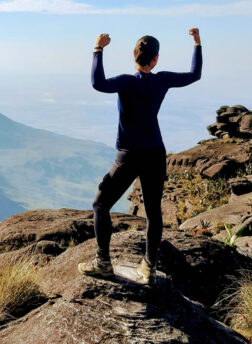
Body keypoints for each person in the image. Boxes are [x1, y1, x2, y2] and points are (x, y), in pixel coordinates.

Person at [78, 28, 203, 284]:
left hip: (129, 155)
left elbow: (97, 83)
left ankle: (103, 263)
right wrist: (197, 43)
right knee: (154, 212)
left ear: (134, 56)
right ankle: (149, 268)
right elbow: (195, 74)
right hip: (155, 154)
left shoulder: (126, 81)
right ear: (155, 59)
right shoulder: (162, 80)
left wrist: (98, 49)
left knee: (101, 204)